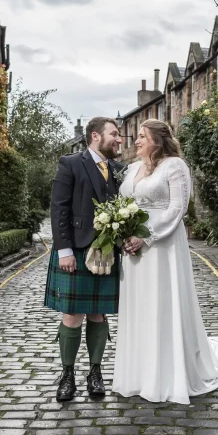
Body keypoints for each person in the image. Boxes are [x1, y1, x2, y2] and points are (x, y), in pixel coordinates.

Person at [112, 119, 218, 405]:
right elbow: (124, 206)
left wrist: (147, 237)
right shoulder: (132, 169)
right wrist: (123, 232)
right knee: (140, 306)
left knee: (162, 304)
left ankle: (169, 373)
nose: (136, 141)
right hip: (133, 252)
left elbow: (177, 208)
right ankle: (138, 373)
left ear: (158, 140)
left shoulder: (175, 166)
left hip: (162, 245)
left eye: (142, 136)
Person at [45, 117, 123, 402]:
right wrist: (64, 250)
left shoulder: (117, 168)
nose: (119, 139)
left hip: (106, 251)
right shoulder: (71, 163)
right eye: (114, 134)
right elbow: (59, 208)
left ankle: (95, 372)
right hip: (76, 249)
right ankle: (67, 375)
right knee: (72, 314)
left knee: (98, 313)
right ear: (95, 136)